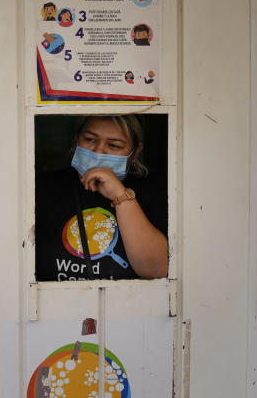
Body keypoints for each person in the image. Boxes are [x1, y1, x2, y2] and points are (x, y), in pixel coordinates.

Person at [35, 115, 167, 281]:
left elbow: (156, 271)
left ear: (135, 153)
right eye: (90, 139)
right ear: (76, 140)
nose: (98, 151)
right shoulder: (43, 187)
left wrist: (120, 195)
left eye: (114, 145)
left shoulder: (154, 191)